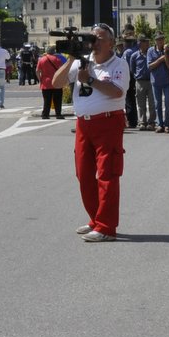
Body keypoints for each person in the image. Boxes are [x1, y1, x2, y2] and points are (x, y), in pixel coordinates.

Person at [51, 23, 129, 242]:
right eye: (92, 38)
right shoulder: (82, 62)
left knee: (107, 175)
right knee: (83, 175)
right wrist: (70, 59)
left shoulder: (119, 64)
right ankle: (96, 219)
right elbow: (56, 83)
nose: (94, 43)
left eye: (99, 39)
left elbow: (116, 92)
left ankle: (106, 227)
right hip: (83, 125)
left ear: (111, 42)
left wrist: (91, 80)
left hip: (108, 123)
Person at [146, 34, 169, 133]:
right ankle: (160, 124)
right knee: (158, 104)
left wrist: (166, 53)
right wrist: (160, 59)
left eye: (162, 39)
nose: (160, 41)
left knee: (167, 104)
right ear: (155, 41)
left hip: (167, 81)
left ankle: (167, 125)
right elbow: (149, 66)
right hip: (156, 81)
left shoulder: (168, 50)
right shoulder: (150, 51)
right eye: (158, 40)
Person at [37, 46, 66, 119]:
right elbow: (62, 70)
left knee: (47, 100)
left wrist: (40, 79)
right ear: (54, 52)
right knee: (58, 100)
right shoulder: (57, 59)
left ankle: (45, 114)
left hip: (45, 82)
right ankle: (58, 114)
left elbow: (37, 71)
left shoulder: (42, 59)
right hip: (57, 82)